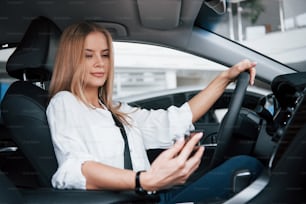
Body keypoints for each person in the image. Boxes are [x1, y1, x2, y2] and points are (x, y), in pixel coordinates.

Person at [46, 21, 262, 203]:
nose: (100, 63)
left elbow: (173, 120)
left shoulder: (116, 110)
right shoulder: (64, 102)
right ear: (73, 60)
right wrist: (143, 180)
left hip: (153, 194)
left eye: (105, 55)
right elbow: (73, 169)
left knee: (242, 165)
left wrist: (225, 78)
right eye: (88, 56)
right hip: (132, 197)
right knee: (245, 167)